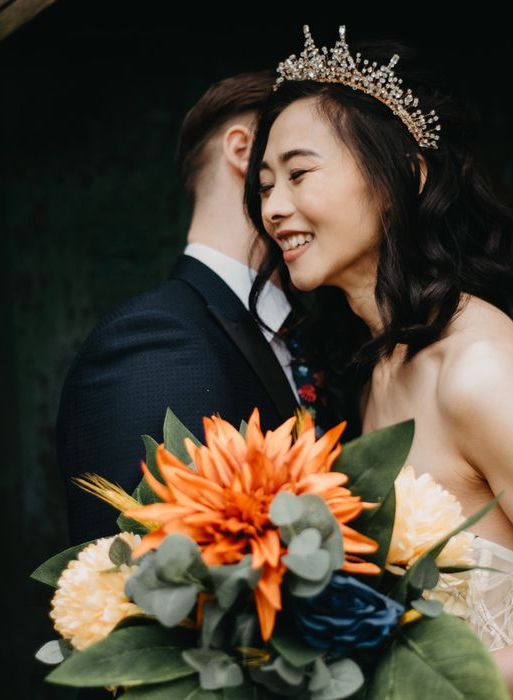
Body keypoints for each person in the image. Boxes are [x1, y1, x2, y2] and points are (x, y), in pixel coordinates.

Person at [241, 25, 513, 700]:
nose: (273, 207)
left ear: (406, 174)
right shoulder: (378, 364)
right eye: (264, 185)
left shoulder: (476, 368)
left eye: (298, 173)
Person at [56, 69, 355, 547]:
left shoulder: (318, 337)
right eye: (296, 165)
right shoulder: (154, 344)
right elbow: (144, 583)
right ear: (244, 152)